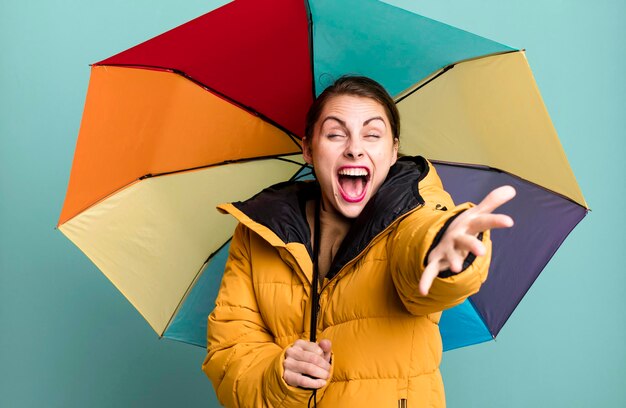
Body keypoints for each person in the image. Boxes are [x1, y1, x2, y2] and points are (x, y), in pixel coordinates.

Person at [202, 76, 515, 407]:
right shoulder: (258, 232)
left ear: (394, 150)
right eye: (336, 134)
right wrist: (279, 376)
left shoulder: (414, 213)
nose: (354, 148)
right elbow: (230, 355)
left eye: (373, 135)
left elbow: (421, 245)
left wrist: (444, 246)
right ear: (308, 149)